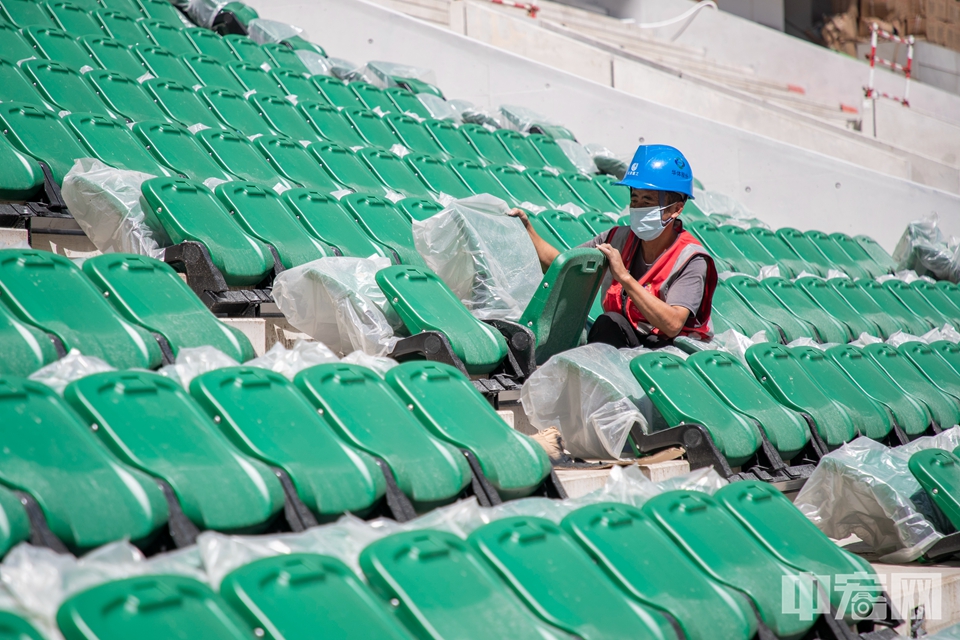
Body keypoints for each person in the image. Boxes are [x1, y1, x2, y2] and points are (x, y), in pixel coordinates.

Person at [511, 144, 717, 348]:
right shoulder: (617, 238)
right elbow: (564, 268)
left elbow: (672, 324)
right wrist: (528, 230)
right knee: (608, 324)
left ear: (676, 209)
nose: (637, 208)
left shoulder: (691, 259)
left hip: (672, 357)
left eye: (647, 201)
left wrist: (625, 278)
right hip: (629, 336)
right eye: (635, 199)